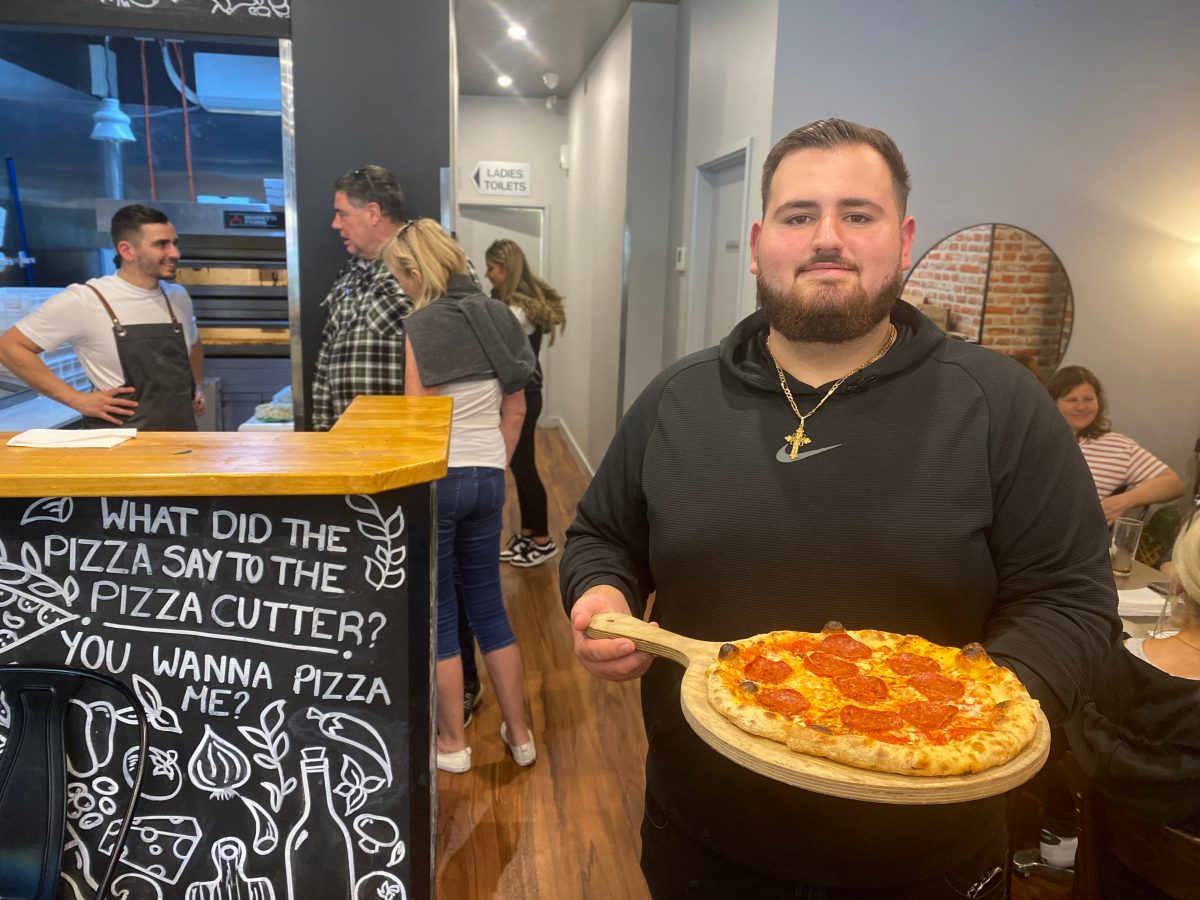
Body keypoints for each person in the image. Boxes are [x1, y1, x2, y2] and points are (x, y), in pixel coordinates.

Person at [561, 118, 1119, 898]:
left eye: (858, 214)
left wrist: (958, 717)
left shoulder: (1004, 405)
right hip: (703, 840)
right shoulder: (676, 397)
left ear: (903, 236)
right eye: (799, 216)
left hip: (929, 857)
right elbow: (602, 534)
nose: (828, 237)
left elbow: (1072, 601)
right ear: (759, 242)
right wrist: (600, 591)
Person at [381, 218, 537, 773]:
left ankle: (453, 744)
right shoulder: (499, 316)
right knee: (490, 607)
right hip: (489, 475)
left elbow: (417, 419)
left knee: (443, 613)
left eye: (401, 276)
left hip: (442, 479)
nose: (401, 286)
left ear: (417, 271)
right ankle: (520, 736)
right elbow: (515, 410)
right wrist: (493, 458)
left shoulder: (422, 325)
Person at [0, 204, 204, 430]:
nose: (175, 253)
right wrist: (77, 400)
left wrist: (197, 385)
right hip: (118, 445)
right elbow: (9, 347)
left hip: (180, 435)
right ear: (127, 251)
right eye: (161, 245)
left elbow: (194, 343)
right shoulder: (86, 300)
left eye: (174, 243)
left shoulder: (177, 296)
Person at [310, 164, 413, 433]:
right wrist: (323, 430)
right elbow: (326, 355)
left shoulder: (428, 264)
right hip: (349, 443)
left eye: (342, 214)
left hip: (403, 441)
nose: (335, 224)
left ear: (372, 213)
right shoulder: (349, 273)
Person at [484, 239, 566, 568]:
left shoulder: (516, 310)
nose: (488, 275)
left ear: (506, 268)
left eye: (492, 268)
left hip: (525, 393)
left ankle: (543, 539)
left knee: (525, 466)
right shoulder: (518, 305)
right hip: (528, 391)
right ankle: (530, 533)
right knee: (522, 465)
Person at [1047, 365, 1184, 524]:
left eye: (1089, 399)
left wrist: (1122, 501)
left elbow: (1173, 483)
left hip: (1078, 542)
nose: (1081, 407)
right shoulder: (1031, 440)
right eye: (1071, 400)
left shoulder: (1119, 446)